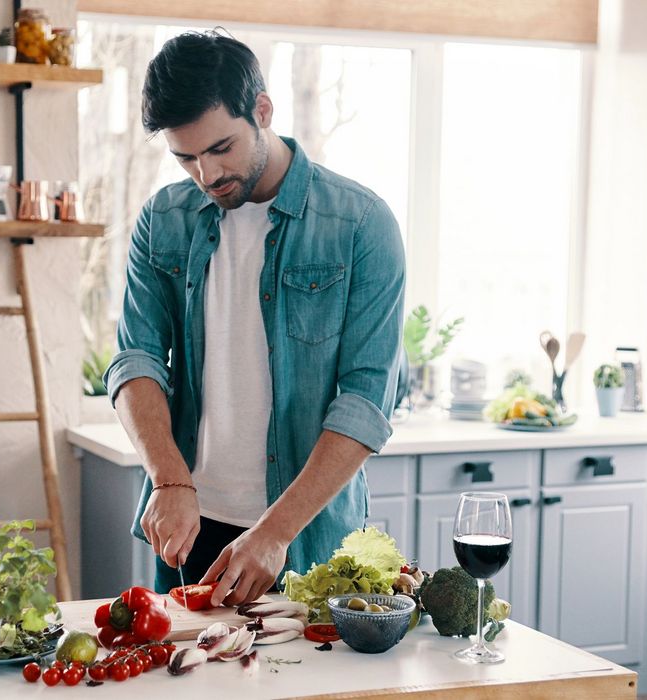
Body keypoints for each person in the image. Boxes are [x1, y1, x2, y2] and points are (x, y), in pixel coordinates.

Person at [103, 30, 405, 608]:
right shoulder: (163, 220)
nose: (206, 174)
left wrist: (273, 532)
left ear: (262, 110)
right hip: (188, 525)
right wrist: (169, 479)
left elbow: (367, 401)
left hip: (305, 534)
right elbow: (136, 360)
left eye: (221, 147)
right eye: (185, 157)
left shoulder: (360, 224)